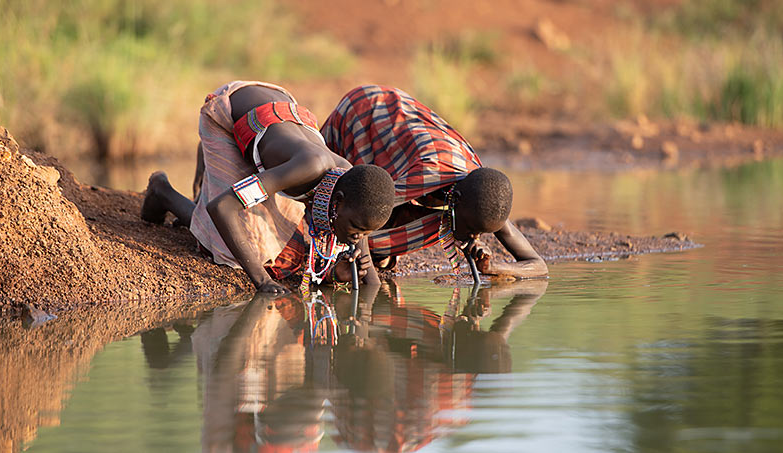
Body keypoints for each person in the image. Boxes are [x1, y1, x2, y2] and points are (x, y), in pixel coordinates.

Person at [141, 81, 396, 294]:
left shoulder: (351, 184)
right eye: (358, 230)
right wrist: (262, 281)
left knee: (275, 231)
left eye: (366, 233)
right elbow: (221, 207)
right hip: (231, 111)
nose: (358, 238)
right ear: (338, 203)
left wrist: (360, 289)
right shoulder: (309, 169)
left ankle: (219, 172)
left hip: (279, 114)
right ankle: (161, 191)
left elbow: (369, 277)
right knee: (227, 248)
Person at [320, 85, 548, 279]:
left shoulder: (484, 200)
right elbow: (368, 206)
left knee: (416, 229)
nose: (474, 238)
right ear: (456, 200)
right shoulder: (430, 174)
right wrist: (371, 283)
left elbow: (538, 265)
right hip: (366, 113)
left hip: (405, 130)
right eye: (470, 230)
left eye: (479, 234)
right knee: (336, 199)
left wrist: (494, 267)